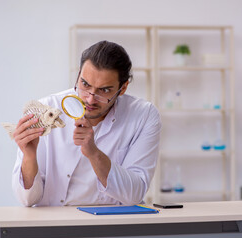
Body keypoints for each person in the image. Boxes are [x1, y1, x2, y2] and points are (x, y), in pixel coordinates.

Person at [12, 40, 161, 207]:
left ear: (123, 88)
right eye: (85, 84)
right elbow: (27, 200)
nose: (90, 98)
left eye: (104, 90)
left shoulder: (143, 115)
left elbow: (134, 194)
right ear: (78, 76)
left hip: (111, 224)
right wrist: (29, 157)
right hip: (53, 222)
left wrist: (94, 153)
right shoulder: (47, 108)